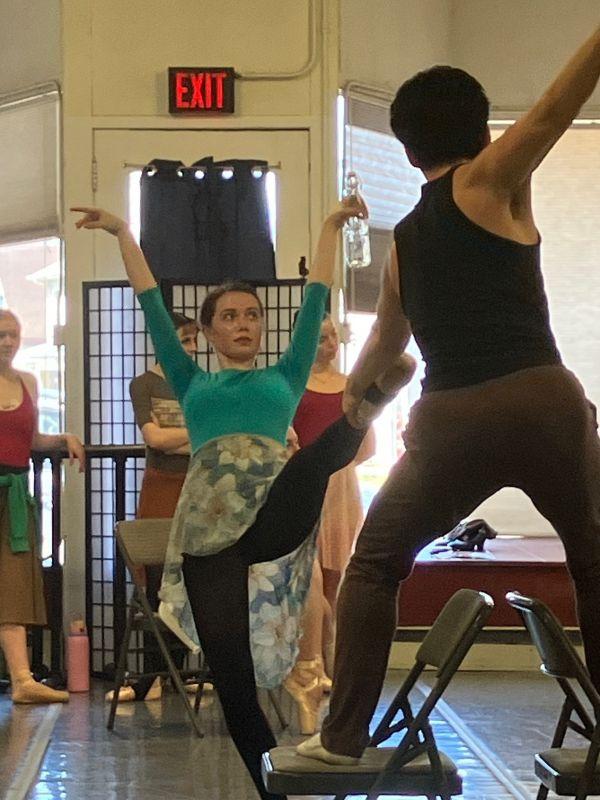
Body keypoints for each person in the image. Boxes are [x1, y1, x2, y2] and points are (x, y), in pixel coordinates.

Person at [298, 26, 600, 766]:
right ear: (485, 129)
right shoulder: (490, 181)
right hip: (544, 403)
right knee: (593, 560)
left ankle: (341, 741)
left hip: (451, 419)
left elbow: (381, 353)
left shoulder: (403, 241)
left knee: (373, 566)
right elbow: (559, 106)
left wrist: (354, 409)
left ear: (405, 151)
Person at [72, 200, 415, 800]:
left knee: (309, 462)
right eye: (228, 316)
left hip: (271, 515)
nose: (242, 324)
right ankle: (271, 789)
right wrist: (126, 232)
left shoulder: (284, 376)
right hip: (210, 541)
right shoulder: (191, 380)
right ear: (206, 332)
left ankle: (363, 407)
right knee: (233, 683)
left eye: (251, 315)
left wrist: (331, 225)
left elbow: (315, 297)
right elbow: (151, 301)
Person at [285, 313, 376, 733]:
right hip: (304, 481)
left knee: (338, 578)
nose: (327, 346)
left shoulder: (349, 387)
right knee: (309, 579)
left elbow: (367, 444)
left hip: (341, 486)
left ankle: (335, 668)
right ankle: (309, 666)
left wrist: (338, 468)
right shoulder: (292, 386)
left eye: (332, 338)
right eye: (319, 338)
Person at [107, 311, 199, 703]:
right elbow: (155, 439)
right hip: (161, 486)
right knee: (158, 578)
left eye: (194, 340)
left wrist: (178, 437)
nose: (191, 348)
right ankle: (152, 676)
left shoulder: (198, 382)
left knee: (191, 575)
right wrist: (189, 435)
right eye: (183, 339)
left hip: (195, 486)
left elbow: (204, 437)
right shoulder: (143, 384)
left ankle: (181, 673)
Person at [0, 309, 85, 704]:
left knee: (13, 586)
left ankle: (22, 678)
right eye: (2, 334)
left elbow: (30, 439)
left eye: (14, 335)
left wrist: (64, 438)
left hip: (13, 493)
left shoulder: (27, 382)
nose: (8, 342)